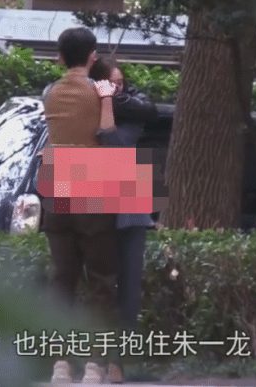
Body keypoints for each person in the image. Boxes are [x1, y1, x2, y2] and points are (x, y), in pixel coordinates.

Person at [38, 27, 119, 384]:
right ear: (92, 56)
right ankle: (94, 365)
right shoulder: (99, 90)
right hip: (92, 177)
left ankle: (60, 363)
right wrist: (107, 97)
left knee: (63, 276)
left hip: (56, 177)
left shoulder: (50, 93)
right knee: (100, 278)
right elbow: (108, 132)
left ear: (59, 57)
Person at [90, 57, 158, 383]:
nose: (116, 88)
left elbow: (115, 144)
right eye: (110, 83)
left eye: (120, 84)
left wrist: (108, 100)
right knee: (97, 285)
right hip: (93, 197)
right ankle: (92, 356)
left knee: (129, 288)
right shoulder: (84, 105)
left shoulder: (132, 111)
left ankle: (118, 360)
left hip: (130, 204)